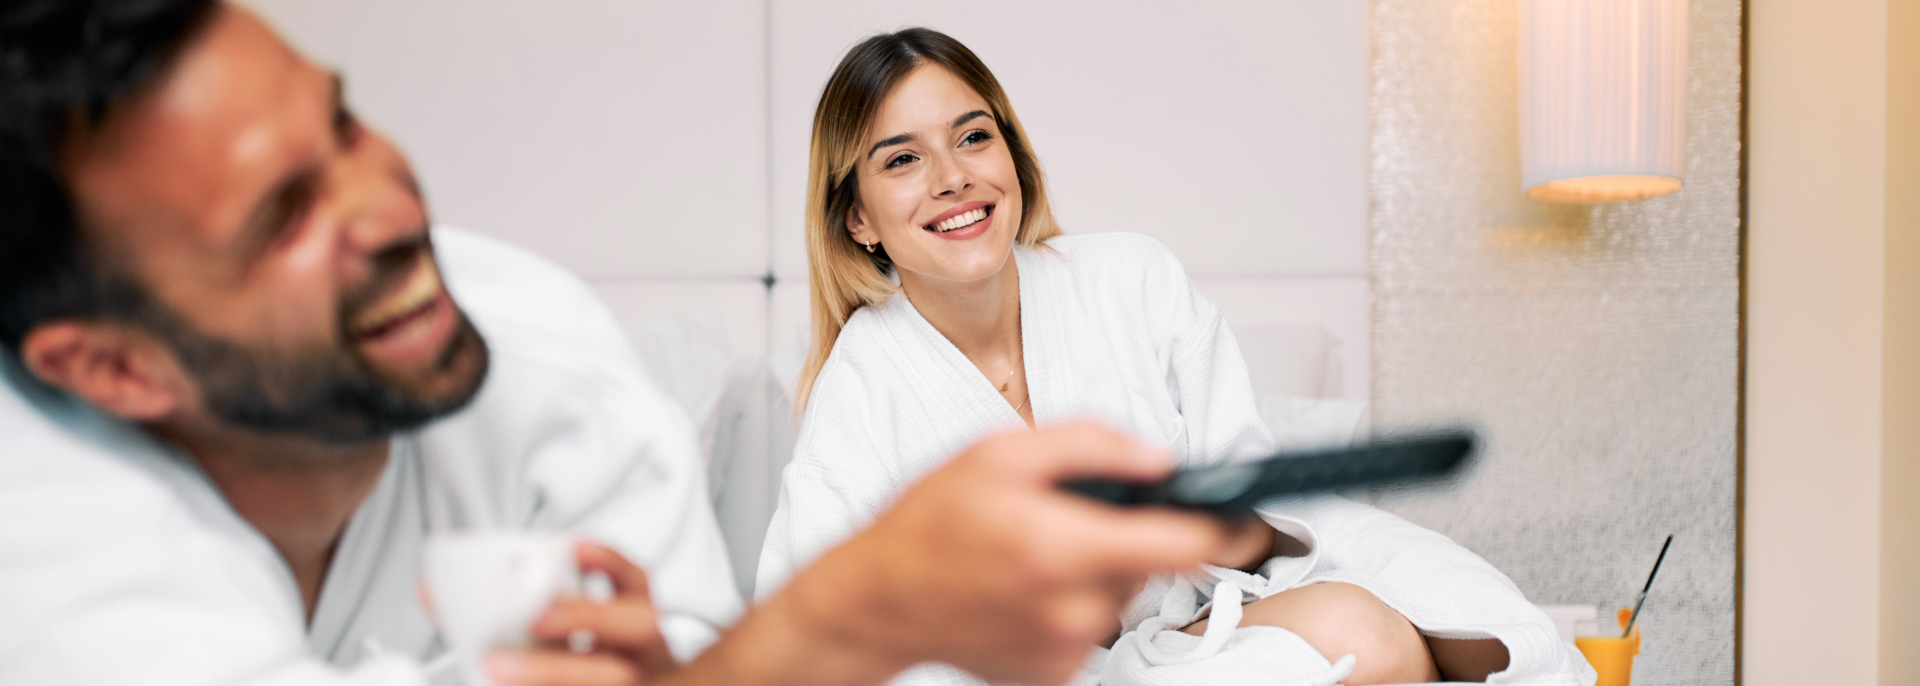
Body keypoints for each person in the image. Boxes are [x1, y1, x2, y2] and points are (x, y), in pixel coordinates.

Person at [0, 3, 1234, 685]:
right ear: (111, 368)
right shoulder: (44, 537)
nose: (390, 215)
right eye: (281, 217)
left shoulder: (538, 357)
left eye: (344, 126)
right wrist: (856, 612)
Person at [756, 28, 1594, 686]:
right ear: (857, 219)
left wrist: (1179, 528)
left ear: (1010, 155)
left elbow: (1259, 528)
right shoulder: (859, 395)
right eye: (902, 159)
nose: (952, 178)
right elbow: (817, 640)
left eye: (973, 137)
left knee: (1445, 633)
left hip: (1197, 631)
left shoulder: (1130, 279)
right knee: (1354, 636)